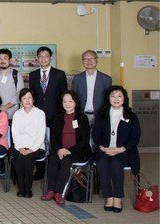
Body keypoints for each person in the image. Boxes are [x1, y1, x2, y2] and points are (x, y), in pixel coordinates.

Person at [93, 85, 140, 213]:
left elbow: (135, 138)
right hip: (104, 149)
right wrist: (103, 148)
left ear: (124, 98)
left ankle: (118, 197)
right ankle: (109, 197)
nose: (116, 99)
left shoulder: (131, 115)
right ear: (108, 98)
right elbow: (96, 135)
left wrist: (120, 149)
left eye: (119, 96)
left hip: (125, 151)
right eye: (113, 96)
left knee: (115, 163)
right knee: (102, 163)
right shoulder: (101, 114)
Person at [42, 91, 91, 205]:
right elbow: (54, 138)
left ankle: (59, 193)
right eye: (65, 101)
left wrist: (69, 150)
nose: (67, 104)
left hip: (77, 150)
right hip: (60, 149)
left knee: (66, 161)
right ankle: (50, 190)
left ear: (75, 103)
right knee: (53, 159)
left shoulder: (82, 117)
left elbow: (84, 140)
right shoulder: (58, 117)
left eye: (70, 101)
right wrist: (59, 149)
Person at [28, 46, 67, 180]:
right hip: (38, 115)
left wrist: (62, 114)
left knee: (55, 141)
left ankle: (54, 168)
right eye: (41, 56)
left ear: (50, 58)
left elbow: (64, 95)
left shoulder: (59, 74)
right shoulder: (33, 75)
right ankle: (40, 169)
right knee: (39, 141)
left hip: (55, 114)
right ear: (37, 59)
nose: (43, 58)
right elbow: (31, 96)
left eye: (46, 56)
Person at [0, 48, 23, 180]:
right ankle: (0, 169)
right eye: (0, 59)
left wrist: (5, 107)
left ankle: (14, 170)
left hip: (13, 115)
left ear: (10, 60)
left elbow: (20, 94)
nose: (2, 61)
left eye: (5, 58)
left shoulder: (16, 75)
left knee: (13, 142)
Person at [10, 88, 46, 198]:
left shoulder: (40, 113)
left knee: (29, 157)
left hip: (37, 148)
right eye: (24, 98)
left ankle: (28, 188)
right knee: (19, 157)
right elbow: (15, 133)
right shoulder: (17, 114)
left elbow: (41, 135)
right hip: (20, 146)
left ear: (33, 99)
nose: (27, 100)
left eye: (29, 97)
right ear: (21, 100)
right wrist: (20, 148)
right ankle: (22, 188)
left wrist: (31, 149)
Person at [72, 50, 112, 126]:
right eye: (86, 59)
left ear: (97, 60)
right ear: (82, 61)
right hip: (82, 115)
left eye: (92, 58)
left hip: (100, 115)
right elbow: (74, 98)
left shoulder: (106, 79)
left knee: (97, 137)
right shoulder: (77, 78)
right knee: (82, 137)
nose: (89, 61)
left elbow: (108, 99)